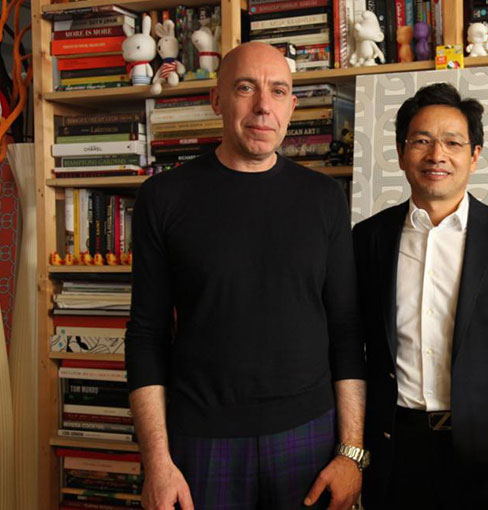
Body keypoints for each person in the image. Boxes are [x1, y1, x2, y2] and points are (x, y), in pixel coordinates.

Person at [125, 42, 367, 510]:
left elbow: (346, 329)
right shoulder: (163, 198)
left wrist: (351, 453)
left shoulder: (325, 199)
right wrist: (156, 462)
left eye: (277, 91)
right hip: (200, 440)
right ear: (216, 99)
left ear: (292, 106)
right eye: (245, 88)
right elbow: (147, 336)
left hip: (310, 437)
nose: (263, 106)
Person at [352, 83, 488, 510]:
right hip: (395, 448)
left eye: (453, 142)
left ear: (474, 156)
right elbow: (350, 345)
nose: (437, 155)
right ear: (401, 153)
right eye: (421, 141)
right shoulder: (368, 239)